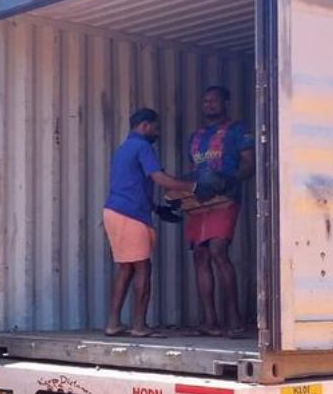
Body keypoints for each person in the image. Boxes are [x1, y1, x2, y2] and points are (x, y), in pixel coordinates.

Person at [103, 108, 196, 338]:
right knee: (143, 267)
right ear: (144, 126)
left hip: (115, 211)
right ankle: (139, 326)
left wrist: (156, 209)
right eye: (155, 127)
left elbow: (130, 185)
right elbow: (159, 178)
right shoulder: (144, 147)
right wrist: (192, 188)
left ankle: (113, 323)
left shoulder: (123, 148)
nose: (157, 132)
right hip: (131, 214)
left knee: (126, 267)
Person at [185, 86, 255, 339]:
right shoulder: (196, 136)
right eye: (205, 100)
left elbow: (249, 165)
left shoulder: (238, 130)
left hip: (225, 199)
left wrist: (227, 181)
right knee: (200, 255)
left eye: (214, 100)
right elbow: (193, 170)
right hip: (199, 202)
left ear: (227, 102)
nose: (209, 104)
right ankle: (210, 321)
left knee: (218, 251)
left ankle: (234, 318)